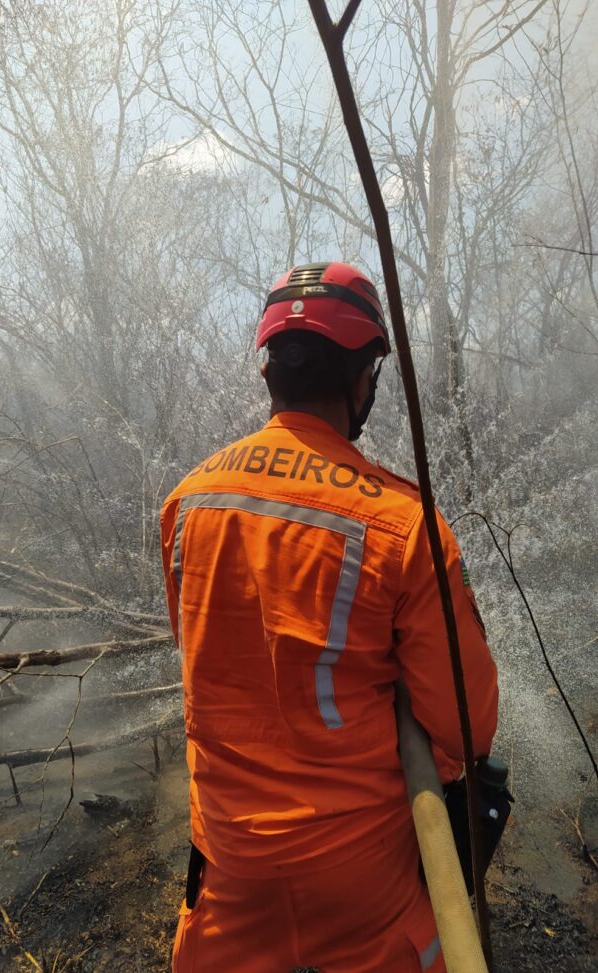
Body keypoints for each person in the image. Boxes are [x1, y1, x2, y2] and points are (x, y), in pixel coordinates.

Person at [159, 261, 498, 973]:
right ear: (364, 378)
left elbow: (206, 660)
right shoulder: (405, 525)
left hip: (228, 875)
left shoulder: (186, 503)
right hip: (363, 889)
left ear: (268, 372)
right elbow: (469, 724)